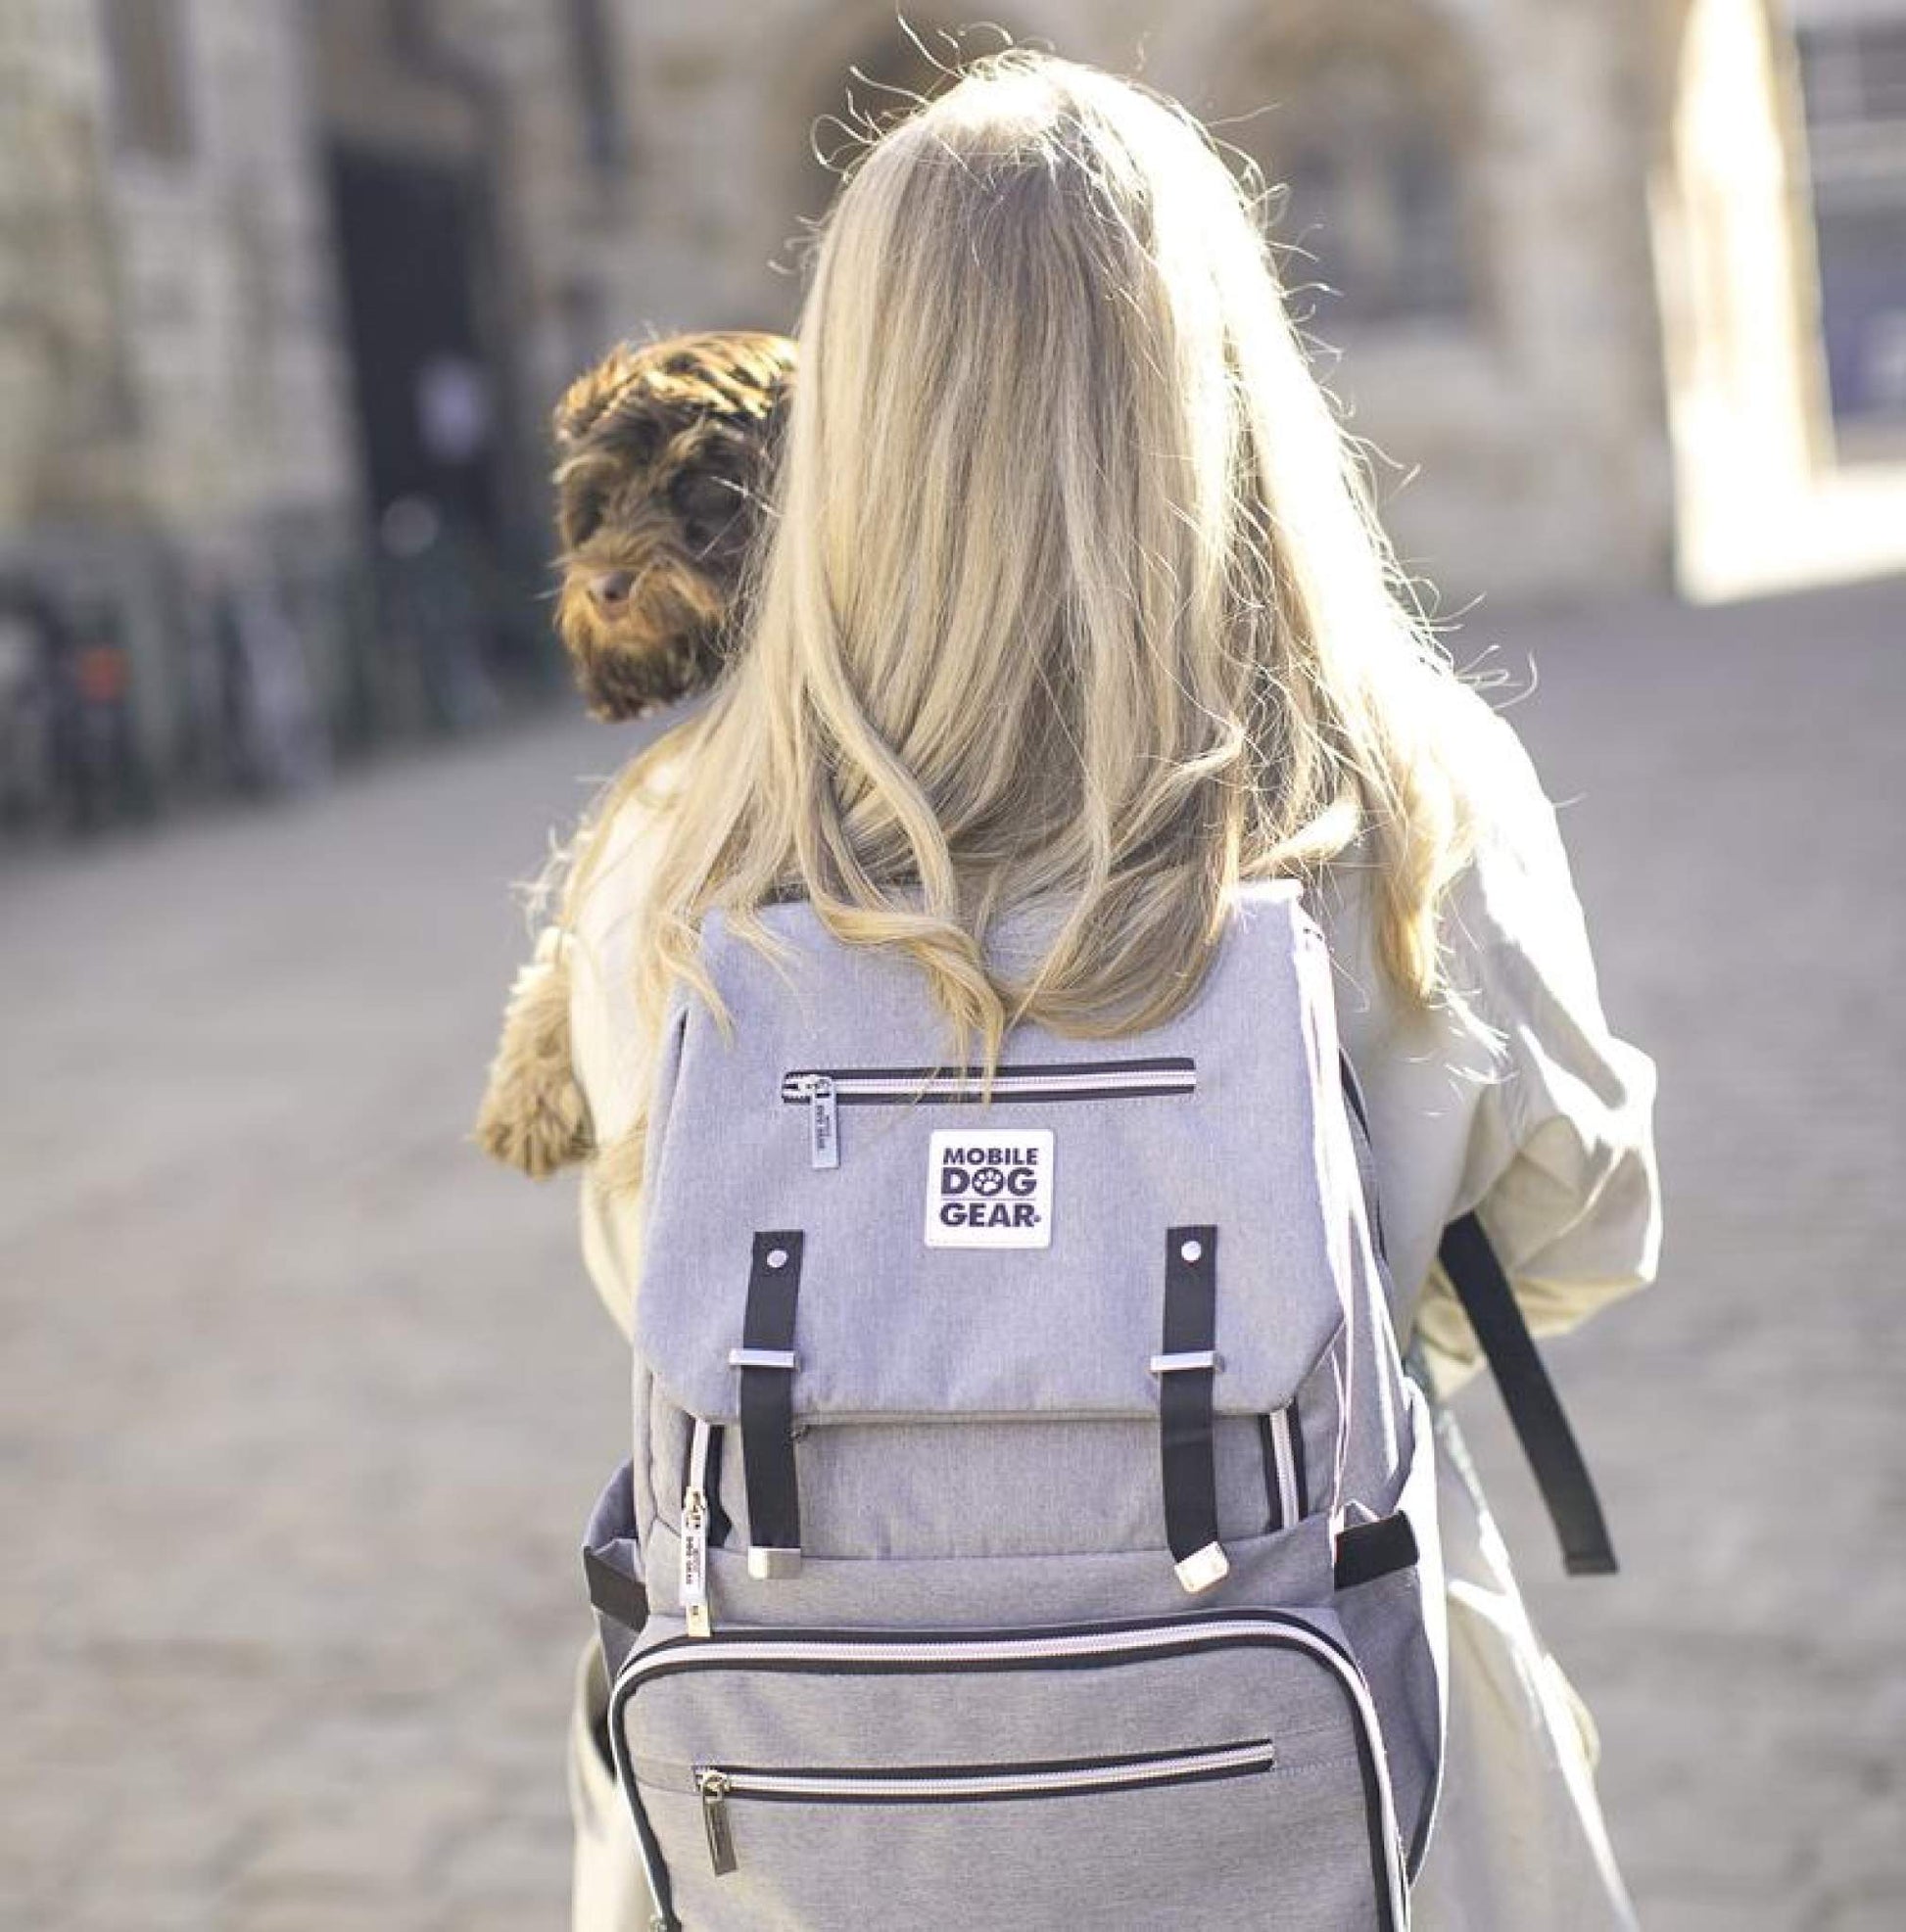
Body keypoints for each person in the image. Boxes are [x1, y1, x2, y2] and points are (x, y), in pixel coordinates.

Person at [526, 50, 1659, 1930]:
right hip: (1325, 1746)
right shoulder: (1403, 794)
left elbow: (653, 1293)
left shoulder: (672, 851)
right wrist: (1292, 1367)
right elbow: (1579, 1220)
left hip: (812, 1813)